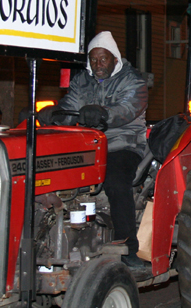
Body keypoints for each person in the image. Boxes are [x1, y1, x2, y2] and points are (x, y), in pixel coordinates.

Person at [37, 31, 148, 268]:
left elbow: (128, 109)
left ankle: (127, 248)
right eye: (93, 59)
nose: (97, 65)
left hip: (123, 143)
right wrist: (52, 115)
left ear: (114, 58)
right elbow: (70, 108)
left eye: (102, 59)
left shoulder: (133, 81)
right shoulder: (81, 80)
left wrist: (104, 114)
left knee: (116, 180)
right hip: (87, 146)